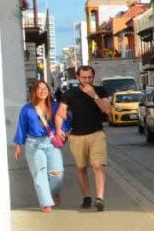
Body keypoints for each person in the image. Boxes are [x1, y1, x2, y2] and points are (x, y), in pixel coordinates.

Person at [62, 64, 113, 212]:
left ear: (93, 77)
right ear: (77, 77)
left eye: (89, 77)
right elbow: (61, 112)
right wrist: (60, 127)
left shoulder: (100, 90)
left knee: (98, 166)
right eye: (83, 77)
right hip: (77, 136)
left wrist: (94, 95)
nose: (87, 80)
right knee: (81, 168)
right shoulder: (69, 94)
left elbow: (107, 110)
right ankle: (86, 197)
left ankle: (100, 199)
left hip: (96, 133)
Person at [12, 80, 67, 213]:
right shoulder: (27, 108)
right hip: (34, 144)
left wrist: (61, 130)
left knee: (57, 173)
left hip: (51, 143)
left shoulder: (54, 106)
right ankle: (45, 202)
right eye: (40, 89)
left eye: (45, 88)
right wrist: (18, 145)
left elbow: (64, 119)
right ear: (34, 92)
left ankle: (53, 192)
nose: (43, 91)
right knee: (40, 173)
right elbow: (21, 127)